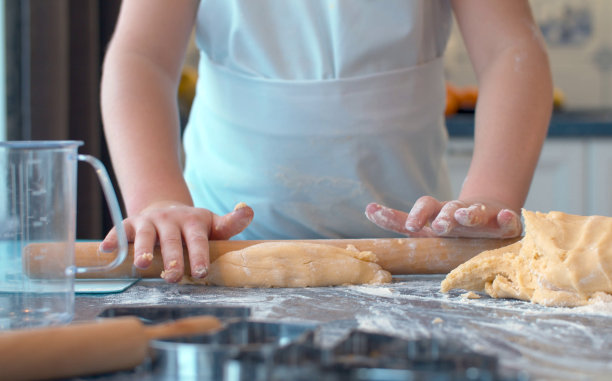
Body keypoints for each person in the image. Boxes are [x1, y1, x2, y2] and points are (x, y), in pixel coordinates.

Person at [99, 0, 553, 283]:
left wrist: (491, 194)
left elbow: (510, 50)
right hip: (217, 251)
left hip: (413, 254)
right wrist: (158, 198)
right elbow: (143, 58)